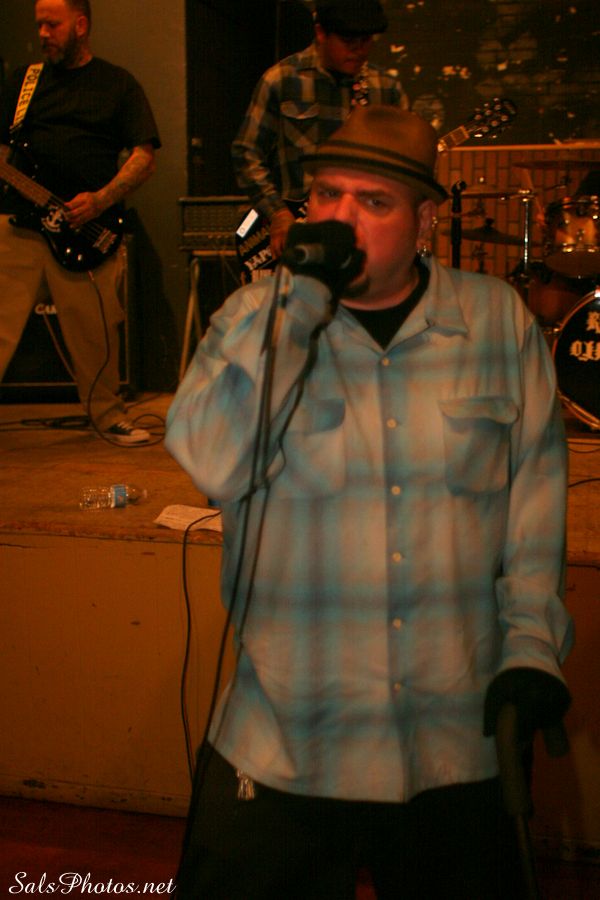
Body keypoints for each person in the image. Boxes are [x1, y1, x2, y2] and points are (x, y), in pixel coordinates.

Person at [165, 105, 573, 899]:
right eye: (326, 195)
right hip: (286, 740)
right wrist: (298, 306)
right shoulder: (254, 319)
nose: (341, 219)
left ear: (425, 221)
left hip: (453, 742)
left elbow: (533, 510)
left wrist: (531, 646)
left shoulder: (495, 322)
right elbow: (211, 461)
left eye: (373, 202)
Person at [0, 0, 160, 444]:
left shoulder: (117, 84)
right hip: (18, 223)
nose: (43, 33)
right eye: (39, 25)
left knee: (95, 333)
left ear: (81, 25)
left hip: (86, 228)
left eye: (53, 24)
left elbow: (144, 157)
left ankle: (107, 415)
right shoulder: (24, 82)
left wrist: (100, 200)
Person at [232, 0, 408, 269]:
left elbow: (406, 165)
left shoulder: (386, 89)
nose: (359, 50)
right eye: (348, 41)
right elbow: (246, 152)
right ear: (321, 32)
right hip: (298, 233)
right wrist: (278, 213)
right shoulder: (281, 80)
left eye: (366, 40)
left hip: (363, 238)